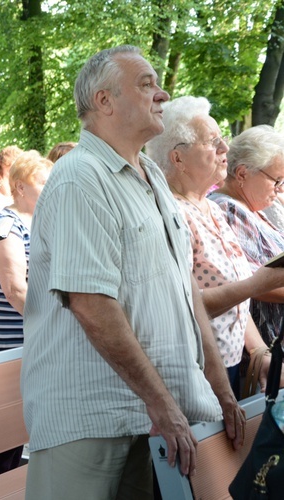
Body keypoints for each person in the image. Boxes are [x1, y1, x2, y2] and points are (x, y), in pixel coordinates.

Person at [21, 46, 242, 499]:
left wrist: (219, 387)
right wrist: (161, 403)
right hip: (92, 419)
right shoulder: (80, 177)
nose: (161, 94)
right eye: (146, 84)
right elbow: (91, 303)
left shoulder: (153, 178)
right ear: (104, 101)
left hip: (151, 415)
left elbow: (186, 291)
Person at [145, 96, 284, 397]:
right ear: (178, 159)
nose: (225, 150)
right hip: (196, 373)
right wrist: (253, 285)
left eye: (222, 140)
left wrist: (259, 352)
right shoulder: (170, 214)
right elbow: (186, 304)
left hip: (231, 363)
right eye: (212, 142)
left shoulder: (212, 208)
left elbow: (232, 291)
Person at [0, 150, 51, 480]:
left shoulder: (40, 220)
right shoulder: (6, 225)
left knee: (19, 433)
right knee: (3, 439)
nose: (50, 190)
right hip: (8, 343)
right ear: (19, 187)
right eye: (43, 183)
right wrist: (50, 326)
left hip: (30, 338)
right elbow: (14, 289)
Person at [208, 125, 284, 349]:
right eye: (276, 180)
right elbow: (252, 282)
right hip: (261, 349)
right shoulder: (228, 210)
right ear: (242, 174)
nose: (279, 189)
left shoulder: (251, 206)